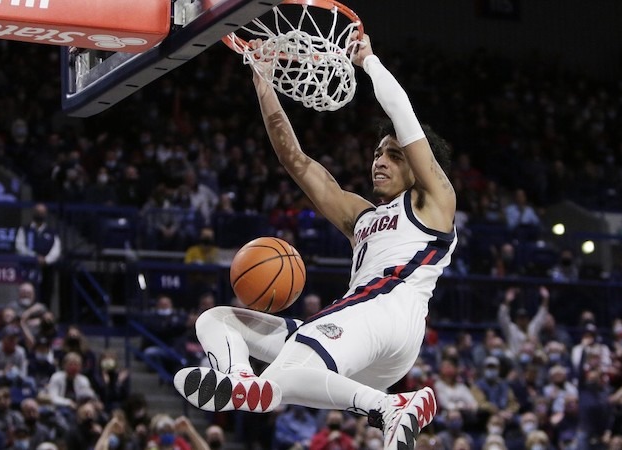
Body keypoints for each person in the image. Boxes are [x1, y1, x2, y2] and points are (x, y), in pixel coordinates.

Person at [174, 32, 456, 450]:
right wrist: (262, 80)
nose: (380, 159)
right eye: (378, 152)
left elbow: (402, 113)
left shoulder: (435, 199)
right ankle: (242, 379)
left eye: (394, 154)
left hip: (388, 308)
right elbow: (297, 161)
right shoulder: (361, 216)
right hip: (376, 345)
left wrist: (369, 62)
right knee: (216, 321)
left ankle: (386, 408)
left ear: (417, 166)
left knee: (285, 373)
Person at [15, 203, 61, 305]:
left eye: (42, 212)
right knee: (27, 292)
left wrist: (46, 260)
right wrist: (34, 257)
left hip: (47, 269)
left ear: (45, 214)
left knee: (46, 295)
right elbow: (19, 247)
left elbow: (56, 250)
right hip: (28, 268)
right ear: (33, 212)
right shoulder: (24, 229)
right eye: (38, 212)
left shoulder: (52, 232)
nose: (40, 214)